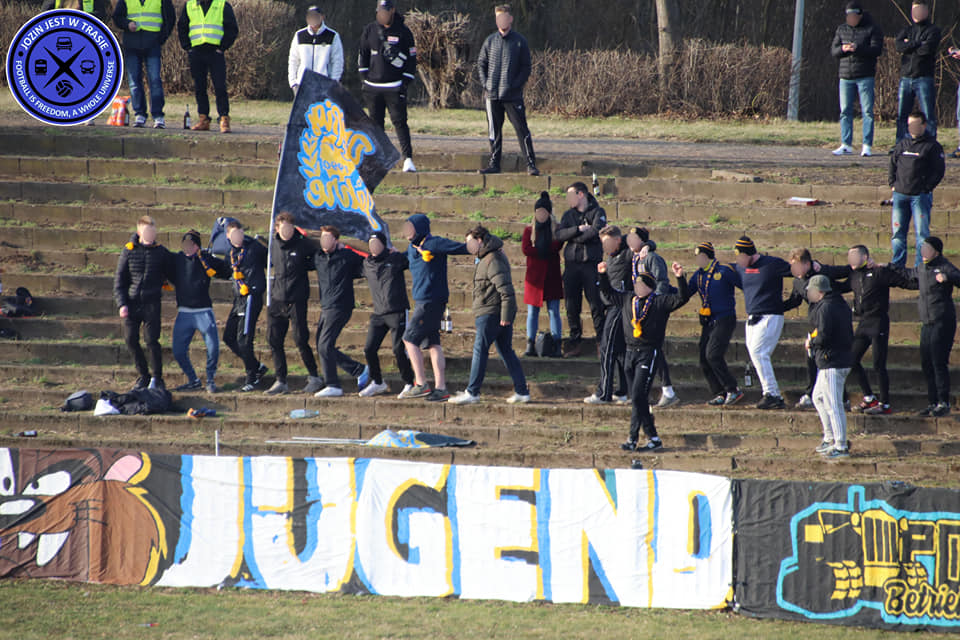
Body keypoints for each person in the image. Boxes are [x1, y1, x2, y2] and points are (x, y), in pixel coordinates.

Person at [819, 245, 913, 415]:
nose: (850, 260)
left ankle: (885, 404)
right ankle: (869, 397)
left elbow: (904, 282)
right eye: (849, 257)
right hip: (863, 323)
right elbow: (840, 287)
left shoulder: (879, 273)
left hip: (878, 322)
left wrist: (891, 266)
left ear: (865, 257)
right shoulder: (854, 275)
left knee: (879, 364)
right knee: (851, 359)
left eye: (854, 256)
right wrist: (820, 274)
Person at [449, 226, 529, 404]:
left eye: (470, 243)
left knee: (480, 351)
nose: (467, 247)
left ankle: (472, 392)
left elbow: (506, 290)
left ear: (479, 241)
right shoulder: (487, 257)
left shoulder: (491, 259)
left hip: (491, 313)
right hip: (494, 312)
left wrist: (506, 317)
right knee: (506, 352)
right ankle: (522, 391)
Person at [619, 263, 691, 453]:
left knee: (637, 395)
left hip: (647, 353)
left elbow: (682, 298)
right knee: (637, 399)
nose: (638, 288)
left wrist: (680, 278)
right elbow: (608, 295)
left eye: (642, 285)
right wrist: (601, 275)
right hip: (629, 354)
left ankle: (646, 437)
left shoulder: (659, 302)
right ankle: (640, 438)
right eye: (636, 285)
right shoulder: (629, 299)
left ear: (650, 287)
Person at [400, 214, 469, 401]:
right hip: (424, 301)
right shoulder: (412, 248)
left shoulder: (434, 243)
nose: (406, 230)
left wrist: (478, 246)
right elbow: (401, 260)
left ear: (420, 228)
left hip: (431, 301)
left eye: (410, 227)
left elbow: (459, 248)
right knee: (433, 344)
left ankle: (421, 384)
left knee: (408, 339)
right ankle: (441, 388)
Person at [899, 237, 960, 417]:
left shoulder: (944, 266)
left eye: (927, 248)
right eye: (922, 247)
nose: (923, 250)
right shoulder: (922, 268)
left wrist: (947, 277)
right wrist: (885, 269)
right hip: (926, 322)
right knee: (926, 363)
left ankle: (943, 402)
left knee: (938, 361)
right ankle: (932, 402)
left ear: (936, 251)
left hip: (942, 321)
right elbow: (906, 276)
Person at [265, 212, 324, 396]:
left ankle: (314, 376)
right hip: (276, 298)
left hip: (297, 299)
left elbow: (317, 257)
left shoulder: (303, 243)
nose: (287, 231)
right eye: (284, 228)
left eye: (290, 228)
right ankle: (281, 380)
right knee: (274, 340)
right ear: (277, 228)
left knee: (300, 339)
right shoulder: (272, 243)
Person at [476, 4, 538, 176]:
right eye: (498, 17)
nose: (501, 20)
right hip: (492, 95)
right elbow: (481, 63)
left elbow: (526, 67)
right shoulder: (489, 41)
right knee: (494, 131)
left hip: (512, 95)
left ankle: (531, 164)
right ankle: (494, 164)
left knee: (521, 129)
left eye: (504, 17)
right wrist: (486, 84)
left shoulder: (519, 41)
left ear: (510, 19)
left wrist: (515, 85)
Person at [113, 216, 173, 391]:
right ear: (139, 232)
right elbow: (119, 280)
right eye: (147, 231)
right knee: (130, 339)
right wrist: (121, 303)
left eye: (153, 231)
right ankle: (143, 375)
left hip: (152, 303)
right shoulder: (128, 251)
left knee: (152, 340)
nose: (151, 235)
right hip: (132, 303)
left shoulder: (161, 252)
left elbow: (174, 269)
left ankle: (157, 377)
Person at [358, 0, 418, 173]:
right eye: (379, 11)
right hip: (372, 86)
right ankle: (379, 160)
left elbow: (411, 59)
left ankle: (407, 159)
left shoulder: (404, 31)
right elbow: (363, 54)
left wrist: (405, 82)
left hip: (395, 86)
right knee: (375, 124)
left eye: (384, 11)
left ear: (392, 10)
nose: (381, 14)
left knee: (400, 122)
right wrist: (364, 78)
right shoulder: (369, 29)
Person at [733, 236, 792, 410]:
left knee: (759, 353)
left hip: (770, 316)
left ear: (750, 253)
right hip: (752, 317)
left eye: (742, 256)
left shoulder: (772, 264)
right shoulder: (740, 268)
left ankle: (772, 394)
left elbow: (798, 271)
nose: (740, 261)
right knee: (755, 354)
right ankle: (771, 393)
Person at [782, 248, 845, 410]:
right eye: (792, 266)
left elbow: (842, 279)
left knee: (831, 359)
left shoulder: (821, 276)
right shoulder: (797, 281)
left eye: (797, 266)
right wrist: (775, 307)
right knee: (811, 357)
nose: (794, 270)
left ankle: (842, 397)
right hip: (815, 323)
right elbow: (795, 300)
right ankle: (811, 392)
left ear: (807, 264)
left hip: (830, 321)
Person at [169, 230, 230, 394]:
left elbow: (226, 270)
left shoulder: (206, 259)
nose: (189, 247)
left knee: (213, 348)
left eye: (193, 244)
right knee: (178, 350)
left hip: (204, 311)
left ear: (198, 246)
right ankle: (193, 379)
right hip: (184, 313)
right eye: (186, 244)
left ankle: (210, 379)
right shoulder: (176, 259)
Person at [312, 225, 368, 398]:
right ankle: (359, 370)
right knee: (321, 345)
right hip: (326, 305)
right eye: (323, 238)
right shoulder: (318, 257)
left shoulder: (346, 256)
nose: (325, 241)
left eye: (328, 238)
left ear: (336, 241)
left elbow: (366, 262)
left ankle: (333, 385)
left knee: (324, 345)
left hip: (341, 305)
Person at [554, 182, 606, 357]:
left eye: (571, 195)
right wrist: (577, 229)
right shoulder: (568, 215)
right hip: (572, 266)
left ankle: (601, 342)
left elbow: (595, 231)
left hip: (591, 265)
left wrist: (574, 236)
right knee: (571, 305)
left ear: (581, 194)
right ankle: (575, 341)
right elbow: (560, 235)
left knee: (596, 305)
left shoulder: (598, 212)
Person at [805, 275, 854, 460]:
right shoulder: (839, 304)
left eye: (811, 290)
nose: (808, 294)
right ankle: (830, 437)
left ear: (820, 291)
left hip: (832, 361)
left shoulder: (826, 307)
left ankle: (841, 445)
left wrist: (812, 343)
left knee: (834, 405)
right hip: (834, 360)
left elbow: (824, 335)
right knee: (818, 397)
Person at [689, 242, 743, 406]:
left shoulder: (724, 271)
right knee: (703, 358)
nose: (698, 260)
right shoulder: (698, 275)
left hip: (724, 318)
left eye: (701, 257)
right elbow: (684, 293)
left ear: (708, 257)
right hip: (708, 321)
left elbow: (745, 284)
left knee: (713, 354)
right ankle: (719, 392)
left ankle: (733, 389)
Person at [361, 232, 415, 397]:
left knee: (398, 350)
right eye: (371, 243)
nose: (374, 246)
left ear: (384, 245)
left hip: (397, 311)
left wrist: (400, 252)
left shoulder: (395, 259)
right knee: (369, 349)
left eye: (377, 243)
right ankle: (378, 382)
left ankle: (409, 383)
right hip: (378, 313)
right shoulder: (367, 263)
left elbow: (413, 257)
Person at [889, 110, 945, 269]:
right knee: (898, 235)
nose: (912, 128)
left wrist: (926, 188)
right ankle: (897, 267)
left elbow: (938, 171)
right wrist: (892, 184)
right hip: (900, 195)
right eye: (909, 125)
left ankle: (920, 268)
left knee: (921, 234)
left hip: (920, 197)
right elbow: (892, 164)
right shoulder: (902, 144)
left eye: (915, 124)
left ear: (924, 125)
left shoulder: (932, 146)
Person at [830, 1, 883, 157]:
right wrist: (843, 49)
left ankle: (866, 145)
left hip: (865, 75)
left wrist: (858, 48)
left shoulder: (872, 29)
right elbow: (834, 50)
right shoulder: (841, 29)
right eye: (848, 16)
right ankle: (846, 144)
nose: (851, 19)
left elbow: (876, 50)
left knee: (867, 111)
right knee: (845, 111)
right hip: (845, 76)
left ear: (860, 15)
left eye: (853, 16)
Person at [112, 0, 176, 129]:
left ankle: (158, 116)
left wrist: (161, 38)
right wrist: (127, 24)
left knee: (155, 81)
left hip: (152, 44)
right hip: (131, 44)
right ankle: (139, 114)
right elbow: (117, 17)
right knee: (134, 82)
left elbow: (170, 18)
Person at [585, 226, 630, 405]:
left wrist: (647, 245)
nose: (604, 247)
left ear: (618, 240)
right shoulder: (610, 257)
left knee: (607, 349)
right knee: (618, 352)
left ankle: (604, 392)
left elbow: (643, 241)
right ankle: (622, 391)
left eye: (607, 242)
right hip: (610, 307)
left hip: (618, 308)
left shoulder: (626, 254)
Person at [178, 0, 238, 133]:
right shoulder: (190, 5)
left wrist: (222, 47)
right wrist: (188, 48)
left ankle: (224, 119)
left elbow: (232, 29)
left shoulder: (222, 5)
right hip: (196, 51)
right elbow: (182, 27)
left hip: (215, 52)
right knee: (200, 87)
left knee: (220, 86)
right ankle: (203, 119)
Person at [223, 220, 268, 392]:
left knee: (244, 339)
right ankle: (257, 366)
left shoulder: (254, 247)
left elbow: (269, 260)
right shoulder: (230, 253)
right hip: (238, 299)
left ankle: (252, 377)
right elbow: (227, 270)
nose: (237, 237)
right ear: (228, 236)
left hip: (252, 297)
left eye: (240, 233)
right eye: (234, 234)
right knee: (228, 337)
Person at [635, 236, 678, 407]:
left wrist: (654, 303)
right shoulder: (634, 257)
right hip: (639, 306)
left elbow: (661, 282)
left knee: (654, 348)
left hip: (653, 307)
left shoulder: (651, 257)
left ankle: (667, 390)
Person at [520, 191, 562, 357]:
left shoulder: (556, 229)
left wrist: (538, 249)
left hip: (552, 276)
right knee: (532, 312)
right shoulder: (529, 230)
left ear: (549, 213)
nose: (541, 215)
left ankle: (557, 343)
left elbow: (557, 246)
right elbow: (525, 249)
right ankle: (530, 343)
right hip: (534, 278)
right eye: (538, 212)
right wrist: (542, 250)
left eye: (544, 212)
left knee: (554, 311)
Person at [894, 1, 940, 142]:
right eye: (914, 10)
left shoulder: (933, 30)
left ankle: (930, 143)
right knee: (902, 114)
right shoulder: (906, 30)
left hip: (924, 77)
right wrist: (917, 43)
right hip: (906, 77)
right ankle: (900, 143)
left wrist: (910, 44)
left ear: (926, 11)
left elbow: (926, 50)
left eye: (920, 10)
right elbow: (899, 46)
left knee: (927, 114)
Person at [288, 5, 344, 94]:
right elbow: (293, 60)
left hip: (324, 86)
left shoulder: (332, 36)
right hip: (302, 85)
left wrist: (333, 82)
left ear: (322, 17)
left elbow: (337, 61)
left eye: (316, 16)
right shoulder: (299, 35)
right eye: (310, 16)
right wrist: (293, 83)